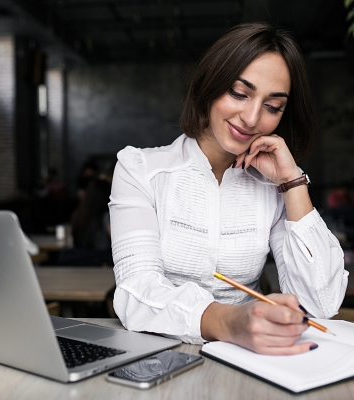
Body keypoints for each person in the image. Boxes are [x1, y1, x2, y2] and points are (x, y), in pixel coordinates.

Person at [109, 22, 348, 355]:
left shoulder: (274, 186)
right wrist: (230, 322)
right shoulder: (141, 170)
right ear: (211, 85)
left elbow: (320, 304)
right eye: (239, 93)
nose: (251, 118)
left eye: (273, 106)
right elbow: (135, 290)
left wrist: (292, 183)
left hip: (249, 361)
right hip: (155, 356)